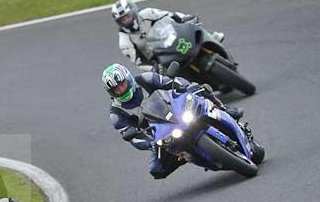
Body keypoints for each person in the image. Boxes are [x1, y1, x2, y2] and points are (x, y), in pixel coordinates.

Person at [102, 62, 246, 179]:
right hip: (161, 134)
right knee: (157, 170)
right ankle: (187, 156)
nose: (120, 90)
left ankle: (224, 108)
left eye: (122, 84)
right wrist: (150, 144)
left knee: (199, 89)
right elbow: (132, 138)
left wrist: (186, 88)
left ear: (128, 79)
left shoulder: (145, 79)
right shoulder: (116, 113)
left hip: (177, 110)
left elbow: (172, 82)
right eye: (116, 89)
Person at [111, 0, 226, 70]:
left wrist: (185, 18)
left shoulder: (148, 13)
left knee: (194, 28)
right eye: (122, 20)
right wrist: (153, 67)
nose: (126, 21)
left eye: (127, 17)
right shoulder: (124, 41)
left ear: (134, 12)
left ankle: (212, 38)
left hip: (172, 38)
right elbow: (138, 62)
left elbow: (171, 15)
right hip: (161, 59)